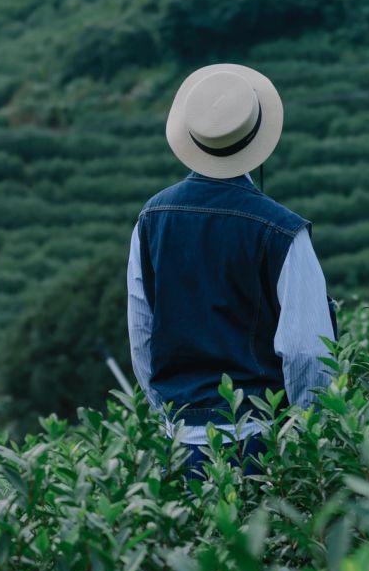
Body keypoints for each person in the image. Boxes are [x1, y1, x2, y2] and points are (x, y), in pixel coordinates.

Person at [126, 62, 338, 491]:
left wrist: (169, 414)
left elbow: (141, 334)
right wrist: (305, 434)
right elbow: (306, 353)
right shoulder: (283, 231)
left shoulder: (151, 219)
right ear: (258, 140)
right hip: (260, 440)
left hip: (181, 440)